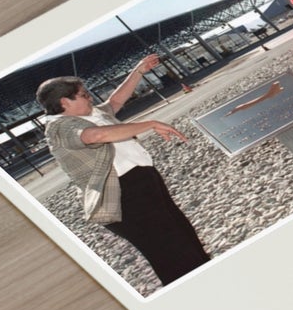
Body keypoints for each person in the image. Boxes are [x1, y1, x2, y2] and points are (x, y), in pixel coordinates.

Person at [37, 55, 210, 288]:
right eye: (83, 95)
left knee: (183, 236)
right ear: (64, 102)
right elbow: (96, 136)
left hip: (143, 182)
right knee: (169, 252)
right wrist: (150, 124)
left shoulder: (92, 114)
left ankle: (207, 276)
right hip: (122, 195)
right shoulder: (59, 127)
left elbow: (116, 101)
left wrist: (138, 71)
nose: (89, 98)